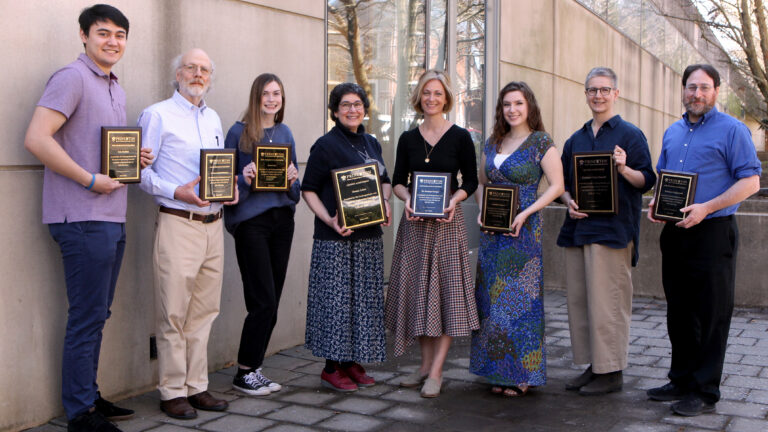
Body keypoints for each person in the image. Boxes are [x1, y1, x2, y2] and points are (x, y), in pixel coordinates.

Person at [23, 5, 152, 431]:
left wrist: (135, 159)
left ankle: (88, 395)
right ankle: (80, 414)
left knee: (97, 313)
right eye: (103, 33)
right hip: (81, 217)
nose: (112, 40)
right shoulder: (72, 77)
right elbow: (36, 139)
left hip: (111, 219)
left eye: (120, 34)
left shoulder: (115, 86)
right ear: (83, 35)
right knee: (86, 315)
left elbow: (99, 151)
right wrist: (88, 179)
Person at [646, 64, 761, 416]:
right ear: (683, 90)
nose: (697, 93)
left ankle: (705, 388)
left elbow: (751, 181)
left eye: (705, 87)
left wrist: (706, 208)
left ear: (716, 91)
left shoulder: (733, 130)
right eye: (691, 86)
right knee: (679, 311)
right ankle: (681, 377)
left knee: (711, 313)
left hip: (713, 231)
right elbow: (663, 178)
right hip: (676, 232)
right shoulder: (673, 131)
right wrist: (656, 203)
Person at [138, 48, 235, 419]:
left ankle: (197, 386)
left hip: (214, 225)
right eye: (191, 68)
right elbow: (140, 172)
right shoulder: (157, 115)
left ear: (211, 76)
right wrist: (176, 191)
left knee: (205, 312)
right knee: (173, 313)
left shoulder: (213, 117)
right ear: (177, 74)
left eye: (205, 69)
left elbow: (218, 172)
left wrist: (230, 190)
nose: (198, 74)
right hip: (179, 222)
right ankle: (172, 390)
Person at [557, 67, 655, 395]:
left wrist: (625, 168)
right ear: (585, 94)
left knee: (608, 304)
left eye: (604, 90)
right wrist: (569, 201)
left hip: (613, 231)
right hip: (580, 229)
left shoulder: (630, 135)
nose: (597, 96)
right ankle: (594, 366)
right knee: (582, 303)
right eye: (591, 90)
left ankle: (611, 372)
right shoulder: (576, 139)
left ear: (616, 94)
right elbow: (564, 186)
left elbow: (646, 182)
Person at [385, 69, 479, 398]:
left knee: (446, 297)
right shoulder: (408, 138)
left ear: (446, 98)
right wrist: (407, 199)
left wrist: (455, 200)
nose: (432, 99)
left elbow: (471, 181)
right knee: (419, 296)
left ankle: (437, 371)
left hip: (447, 226)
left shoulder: (460, 137)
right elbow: (398, 180)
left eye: (438, 93)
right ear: (419, 97)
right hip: (414, 227)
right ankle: (423, 367)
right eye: (426, 93)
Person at [469, 82, 564, 397]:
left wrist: (527, 212)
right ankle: (497, 370)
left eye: (518, 103)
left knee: (519, 302)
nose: (512, 109)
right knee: (491, 301)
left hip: (523, 233)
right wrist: (483, 211)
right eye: (507, 104)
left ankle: (522, 374)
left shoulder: (540, 142)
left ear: (529, 106)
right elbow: (482, 182)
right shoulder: (492, 142)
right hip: (493, 233)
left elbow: (557, 185)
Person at [301, 82, 392, 392]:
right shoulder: (324, 145)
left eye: (357, 104)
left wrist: (386, 203)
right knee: (335, 302)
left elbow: (384, 181)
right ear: (335, 111)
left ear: (364, 108)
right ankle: (331, 367)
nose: (352, 109)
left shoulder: (371, 143)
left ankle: (350, 360)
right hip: (335, 238)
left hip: (368, 236)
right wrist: (328, 218)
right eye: (345, 105)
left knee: (362, 301)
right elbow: (308, 189)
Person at [224, 73, 300, 396]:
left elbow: (294, 192)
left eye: (277, 94)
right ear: (256, 98)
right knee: (262, 300)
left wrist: (294, 178)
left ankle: (254, 368)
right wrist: (243, 177)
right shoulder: (238, 133)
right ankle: (244, 372)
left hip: (282, 221)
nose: (272, 99)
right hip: (251, 224)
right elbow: (224, 185)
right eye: (266, 94)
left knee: (274, 300)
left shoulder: (285, 132)